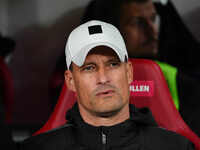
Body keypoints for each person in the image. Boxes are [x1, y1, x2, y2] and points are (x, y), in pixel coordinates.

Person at [20, 20, 194, 150]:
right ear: (70, 81)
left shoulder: (177, 147)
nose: (103, 78)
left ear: (129, 73)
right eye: (89, 68)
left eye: (112, 64)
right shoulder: (37, 148)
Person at [79, 0, 200, 136]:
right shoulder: (79, 84)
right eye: (137, 22)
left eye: (153, 19)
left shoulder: (179, 82)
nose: (152, 30)